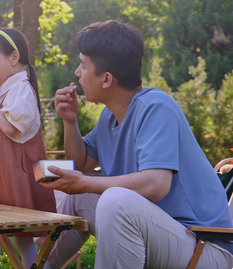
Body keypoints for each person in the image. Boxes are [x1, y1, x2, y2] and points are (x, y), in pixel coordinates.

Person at [41, 20, 233, 268]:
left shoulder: (156, 107)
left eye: (83, 65)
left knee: (115, 200)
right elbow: (80, 164)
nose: (77, 72)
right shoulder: (110, 117)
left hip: (205, 247)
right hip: (164, 233)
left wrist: (85, 181)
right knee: (83, 197)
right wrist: (70, 122)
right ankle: (41, 265)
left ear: (106, 79)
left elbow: (155, 184)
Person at [0, 28, 56, 269]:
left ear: (13, 57)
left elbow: (9, 129)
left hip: (13, 177)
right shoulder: (5, 91)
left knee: (23, 238)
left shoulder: (22, 90)